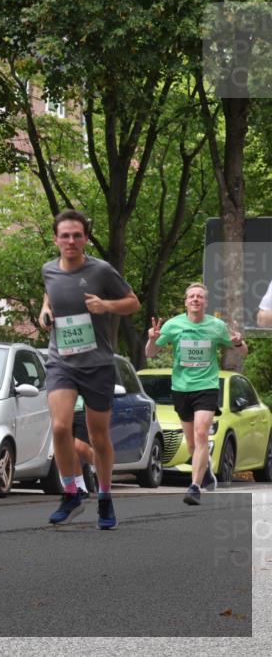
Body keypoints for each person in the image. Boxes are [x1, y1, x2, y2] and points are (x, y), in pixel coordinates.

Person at [39, 209, 140, 529]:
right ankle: (72, 490)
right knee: (59, 427)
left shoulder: (102, 271)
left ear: (85, 238)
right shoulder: (48, 270)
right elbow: (50, 293)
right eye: (65, 235)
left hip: (97, 364)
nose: (71, 241)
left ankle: (106, 497)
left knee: (98, 436)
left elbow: (133, 302)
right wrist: (45, 310)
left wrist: (106, 305)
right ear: (56, 239)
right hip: (61, 361)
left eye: (77, 235)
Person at [145, 283, 247, 505]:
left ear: (205, 302)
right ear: (186, 302)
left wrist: (238, 342)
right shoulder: (173, 325)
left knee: (202, 434)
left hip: (207, 386)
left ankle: (194, 487)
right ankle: (206, 469)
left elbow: (242, 351)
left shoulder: (217, 326)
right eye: (191, 296)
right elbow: (150, 354)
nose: (195, 299)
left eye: (200, 296)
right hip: (181, 388)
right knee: (191, 442)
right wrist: (152, 339)